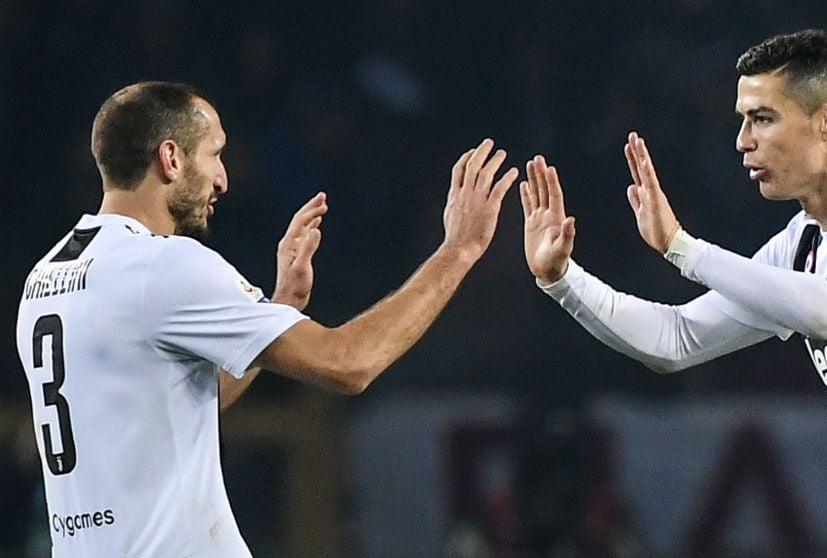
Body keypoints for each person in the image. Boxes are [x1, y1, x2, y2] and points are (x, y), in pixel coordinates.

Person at [520, 29, 827, 558]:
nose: (743, 140)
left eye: (762, 118)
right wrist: (562, 279)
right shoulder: (804, 243)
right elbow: (675, 341)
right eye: (743, 120)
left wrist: (683, 249)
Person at [16, 81, 517, 558]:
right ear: (171, 158)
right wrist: (459, 250)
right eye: (214, 153)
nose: (223, 178)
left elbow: (176, 410)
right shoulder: (163, 266)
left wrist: (278, 309)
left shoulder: (45, 280)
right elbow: (349, 363)